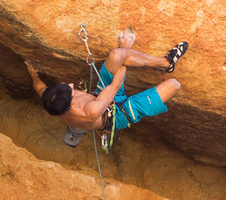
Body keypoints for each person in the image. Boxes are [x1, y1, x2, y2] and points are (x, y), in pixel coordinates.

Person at [25, 33, 187, 147]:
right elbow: (116, 84)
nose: (71, 84)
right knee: (174, 85)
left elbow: (40, 87)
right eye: (70, 88)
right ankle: (156, 62)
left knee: (116, 55)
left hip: (101, 95)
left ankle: (166, 63)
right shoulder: (90, 112)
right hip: (120, 114)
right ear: (71, 97)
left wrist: (32, 71)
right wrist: (126, 50)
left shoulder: (52, 101)